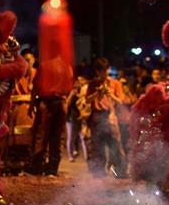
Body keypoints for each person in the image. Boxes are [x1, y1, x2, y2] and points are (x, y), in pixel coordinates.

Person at [28, 47, 73, 177]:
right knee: (57, 137)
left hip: (47, 104)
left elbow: (36, 87)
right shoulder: (67, 67)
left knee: (41, 135)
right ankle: (52, 169)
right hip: (61, 104)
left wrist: (32, 105)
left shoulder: (44, 65)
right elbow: (70, 89)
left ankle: (37, 166)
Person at [80, 58, 126, 177]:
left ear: (108, 69)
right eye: (100, 71)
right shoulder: (92, 84)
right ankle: (99, 173)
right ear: (97, 71)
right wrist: (97, 93)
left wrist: (109, 94)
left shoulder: (115, 84)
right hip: (97, 117)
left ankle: (119, 171)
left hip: (110, 116)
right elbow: (87, 100)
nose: (103, 74)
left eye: (105, 71)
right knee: (98, 147)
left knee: (115, 145)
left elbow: (121, 101)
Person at [65, 72, 88, 162]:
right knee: (71, 136)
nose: (80, 82)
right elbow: (67, 103)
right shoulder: (71, 92)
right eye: (78, 80)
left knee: (82, 136)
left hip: (81, 116)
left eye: (82, 80)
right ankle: (71, 155)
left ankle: (86, 156)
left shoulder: (84, 91)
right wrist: (72, 95)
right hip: (71, 117)